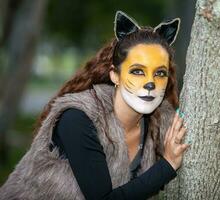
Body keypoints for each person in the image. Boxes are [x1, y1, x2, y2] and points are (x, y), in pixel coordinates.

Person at [0, 10, 190, 200]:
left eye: (160, 73)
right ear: (115, 75)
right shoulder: (77, 118)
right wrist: (168, 165)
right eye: (138, 71)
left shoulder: (160, 122)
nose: (151, 83)